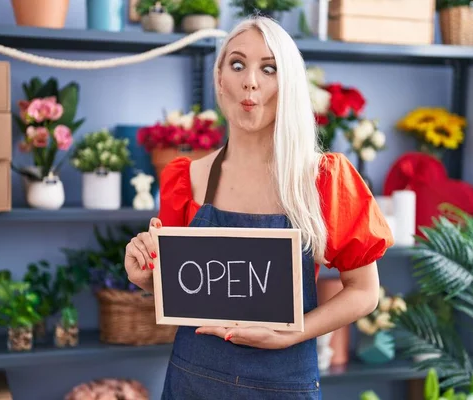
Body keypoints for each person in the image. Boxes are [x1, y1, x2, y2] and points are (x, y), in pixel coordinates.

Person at [124, 15, 394, 399]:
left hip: (282, 386)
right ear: (220, 79)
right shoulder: (186, 179)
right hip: (193, 383)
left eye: (269, 68)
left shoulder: (323, 180)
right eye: (237, 65)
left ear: (288, 85)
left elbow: (364, 292)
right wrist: (148, 276)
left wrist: (289, 332)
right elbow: (180, 290)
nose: (251, 80)